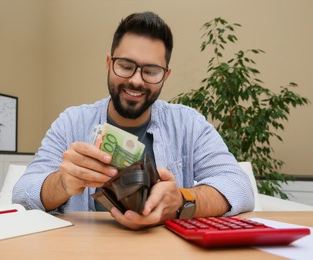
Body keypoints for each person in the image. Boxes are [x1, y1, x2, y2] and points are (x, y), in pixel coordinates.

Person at [13, 11, 254, 230]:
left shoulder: (188, 124)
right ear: (109, 64)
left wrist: (182, 200)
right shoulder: (71, 122)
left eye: (150, 71)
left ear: (165, 76)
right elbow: (22, 194)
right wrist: (62, 184)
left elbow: (239, 186)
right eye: (126, 66)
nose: (136, 81)